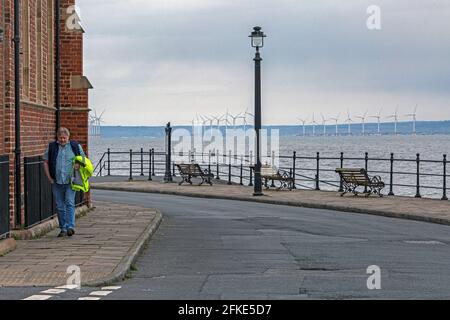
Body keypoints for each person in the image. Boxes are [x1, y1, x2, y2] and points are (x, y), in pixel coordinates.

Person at [43, 127, 86, 237]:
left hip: (70, 181)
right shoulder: (52, 147)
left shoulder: (75, 146)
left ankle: (70, 227)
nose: (62, 140)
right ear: (57, 137)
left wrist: (78, 163)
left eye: (64, 138)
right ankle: (63, 228)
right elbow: (45, 162)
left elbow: (83, 159)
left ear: (68, 137)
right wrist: (49, 178)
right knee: (59, 205)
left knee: (69, 202)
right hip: (56, 181)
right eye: (60, 138)